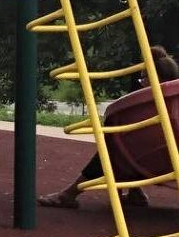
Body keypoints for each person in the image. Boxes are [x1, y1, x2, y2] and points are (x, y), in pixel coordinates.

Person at [38, 45, 179, 210]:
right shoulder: (173, 101)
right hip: (170, 158)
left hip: (150, 156)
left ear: (155, 77)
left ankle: (69, 194)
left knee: (114, 146)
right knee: (131, 144)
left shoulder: (148, 105)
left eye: (143, 78)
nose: (141, 83)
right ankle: (135, 191)